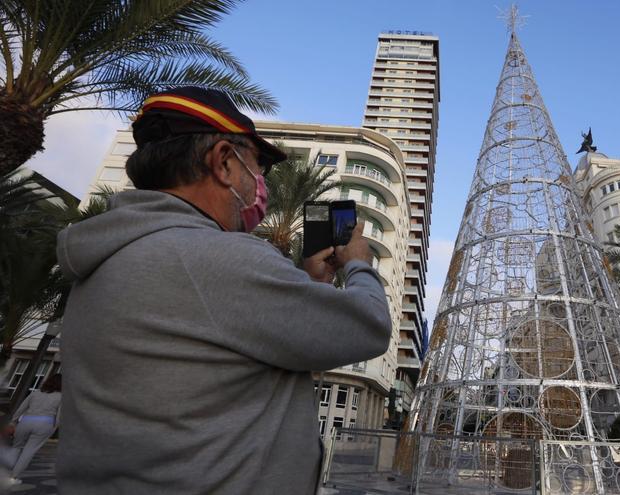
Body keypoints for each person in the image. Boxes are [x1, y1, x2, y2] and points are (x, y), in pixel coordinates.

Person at [55, 87, 392, 494]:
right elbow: (369, 326)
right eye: (259, 166)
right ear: (225, 162)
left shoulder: (107, 257)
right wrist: (358, 262)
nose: (260, 185)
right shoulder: (218, 259)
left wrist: (312, 284)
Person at [3, 374, 62, 486]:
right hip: (45, 423)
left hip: (26, 421)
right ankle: (13, 477)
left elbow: (22, 408)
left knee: (16, 447)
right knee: (29, 451)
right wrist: (54, 428)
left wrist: (13, 422)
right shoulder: (61, 397)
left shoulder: (36, 393)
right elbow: (59, 416)